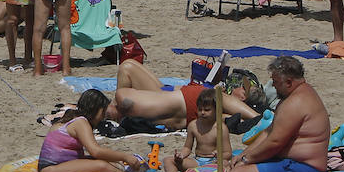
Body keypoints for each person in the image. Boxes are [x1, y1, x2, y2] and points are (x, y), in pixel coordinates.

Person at [224, 56, 330, 172]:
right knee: (231, 165)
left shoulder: (296, 102)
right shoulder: (291, 96)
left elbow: (275, 142)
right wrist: (243, 155)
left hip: (305, 169)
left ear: (289, 82)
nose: (273, 85)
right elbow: (268, 132)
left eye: (276, 82)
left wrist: (247, 160)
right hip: (289, 162)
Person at [36, 89, 154, 172]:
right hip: (51, 168)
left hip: (61, 163)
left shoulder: (72, 118)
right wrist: (125, 157)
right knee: (102, 166)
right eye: (102, 112)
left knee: (111, 164)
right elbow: (95, 151)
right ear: (95, 109)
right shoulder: (80, 122)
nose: (103, 117)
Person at [106, 59, 263, 128]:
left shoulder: (226, 98)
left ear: (243, 97)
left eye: (243, 88)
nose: (237, 87)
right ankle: (254, 118)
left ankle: (256, 118)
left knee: (127, 67)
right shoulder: (224, 101)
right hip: (174, 98)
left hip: (175, 99)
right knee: (127, 67)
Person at [162, 86, 232, 172]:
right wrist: (181, 155)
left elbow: (228, 153)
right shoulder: (193, 125)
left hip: (213, 161)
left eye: (207, 110)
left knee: (226, 164)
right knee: (168, 160)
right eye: (199, 109)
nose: (202, 112)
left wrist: (219, 155)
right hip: (196, 161)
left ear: (217, 110)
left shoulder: (221, 128)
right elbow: (187, 148)